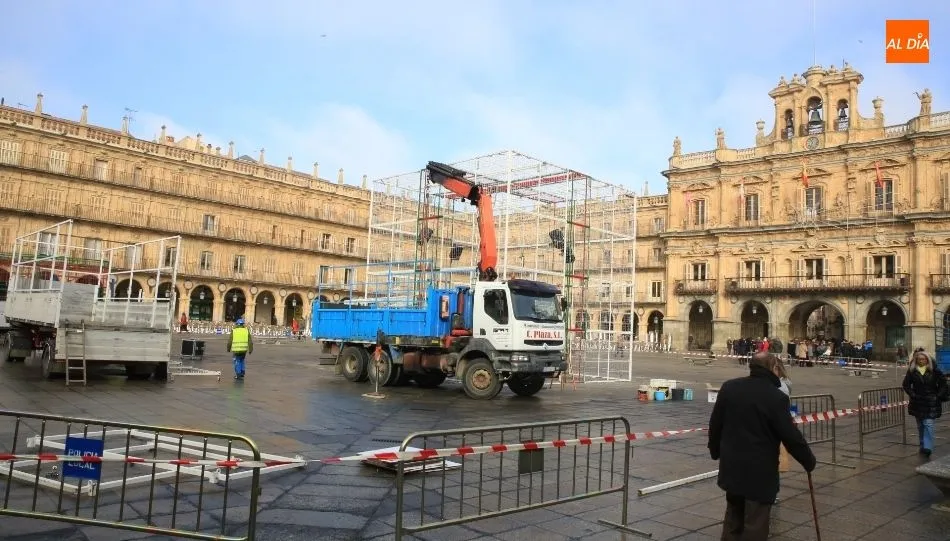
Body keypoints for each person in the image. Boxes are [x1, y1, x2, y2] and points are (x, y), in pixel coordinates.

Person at [708, 352, 817, 540]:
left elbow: (715, 424)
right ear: (774, 368)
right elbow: (790, 435)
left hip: (732, 466)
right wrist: (808, 460)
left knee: (733, 518)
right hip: (759, 471)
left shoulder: (730, 388)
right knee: (755, 523)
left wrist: (715, 450)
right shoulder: (775, 397)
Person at [902, 350, 949, 457]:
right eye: (919, 359)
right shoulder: (912, 371)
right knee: (920, 425)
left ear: (927, 360)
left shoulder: (935, 371)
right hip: (917, 402)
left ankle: (928, 447)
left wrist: (938, 396)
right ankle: (922, 445)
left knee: (928, 424)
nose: (921, 361)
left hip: (931, 402)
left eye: (923, 359)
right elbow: (906, 385)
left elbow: (943, 384)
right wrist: (913, 394)